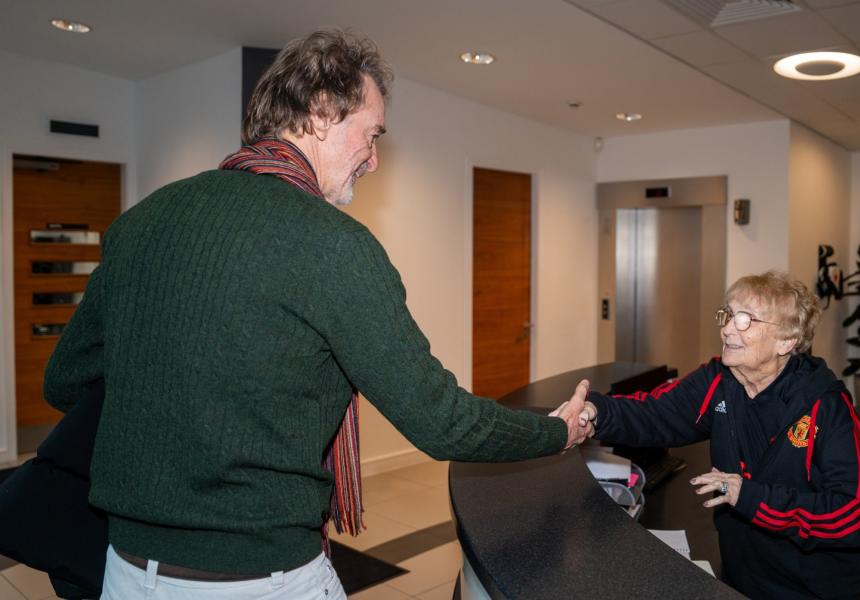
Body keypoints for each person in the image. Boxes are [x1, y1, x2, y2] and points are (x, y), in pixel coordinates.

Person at [43, 29, 591, 600]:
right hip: (261, 580)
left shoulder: (140, 223)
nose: (375, 160)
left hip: (127, 572)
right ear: (323, 113)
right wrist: (556, 431)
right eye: (372, 134)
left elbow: (65, 382)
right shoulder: (334, 245)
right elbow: (440, 420)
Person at [570, 271, 860, 599]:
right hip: (741, 579)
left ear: (787, 341)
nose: (728, 328)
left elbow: (857, 512)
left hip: (810, 589)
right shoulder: (720, 380)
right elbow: (654, 412)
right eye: (729, 315)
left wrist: (751, 497)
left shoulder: (826, 406)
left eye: (746, 320)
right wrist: (594, 412)